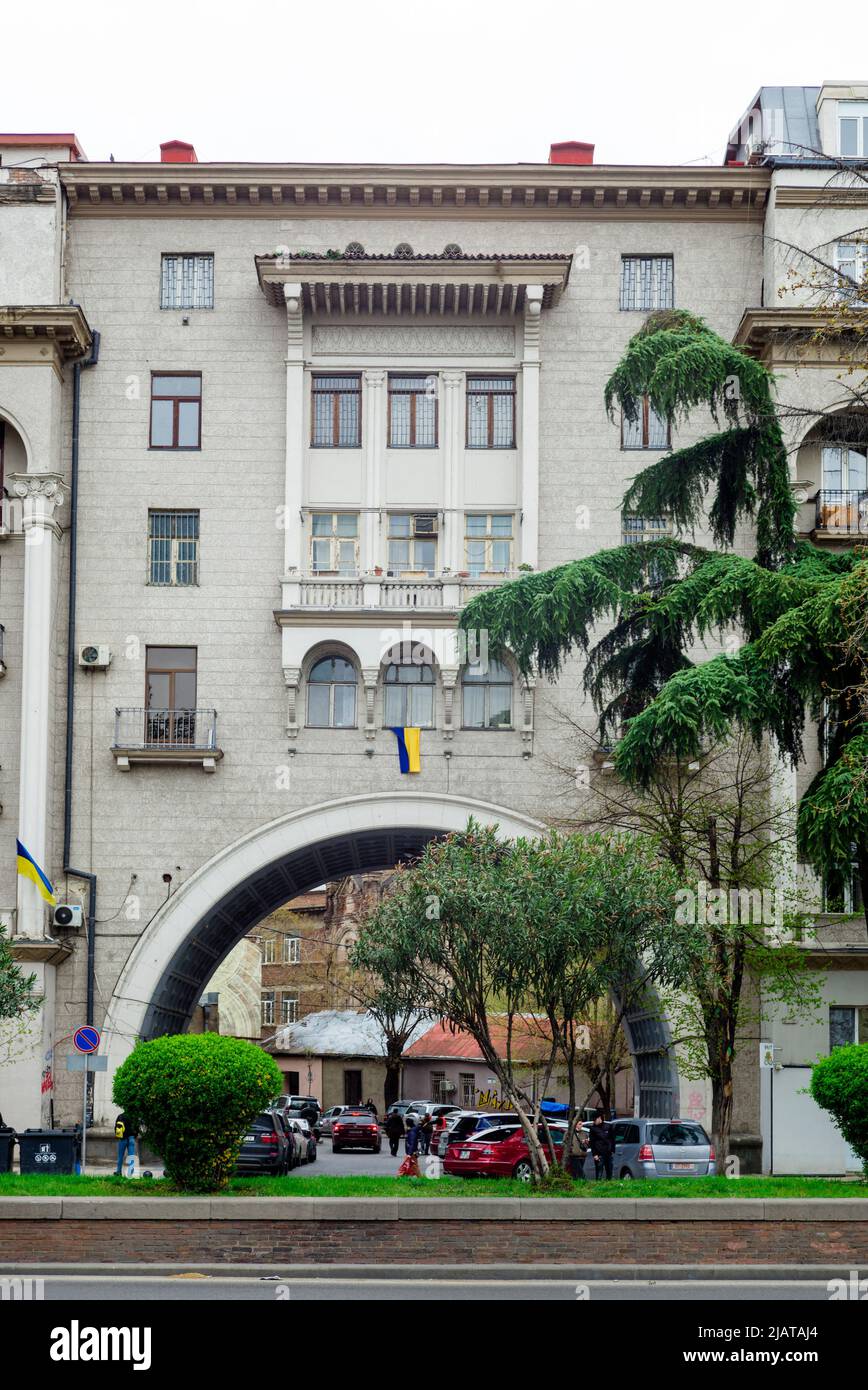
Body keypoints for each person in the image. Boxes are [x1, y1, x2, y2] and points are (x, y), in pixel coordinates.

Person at [588, 1109, 615, 1181]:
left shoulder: (608, 1126)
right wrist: (594, 1154)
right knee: (599, 1172)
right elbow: (592, 1143)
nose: (593, 1121)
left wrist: (612, 1150)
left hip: (608, 1153)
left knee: (609, 1171)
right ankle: (598, 1186)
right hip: (599, 1154)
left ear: (599, 1118)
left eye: (594, 1119)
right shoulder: (593, 1129)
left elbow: (612, 1139)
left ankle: (610, 1186)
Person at [114, 1111, 139, 1177]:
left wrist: (118, 1135)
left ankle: (118, 1172)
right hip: (131, 1138)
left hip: (122, 1139)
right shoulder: (134, 1117)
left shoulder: (120, 1116)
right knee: (131, 1156)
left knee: (120, 1156)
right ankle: (131, 1173)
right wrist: (134, 1136)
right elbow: (137, 1128)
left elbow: (116, 1127)